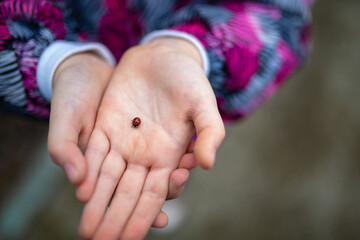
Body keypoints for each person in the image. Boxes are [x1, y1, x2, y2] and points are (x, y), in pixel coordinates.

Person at [0, 0, 314, 239]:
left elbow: (281, 14)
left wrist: (189, 48)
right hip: (83, 64)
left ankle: (166, 188)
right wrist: (55, 61)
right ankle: (127, 186)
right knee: (107, 149)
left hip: (185, 84)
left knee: (182, 146)